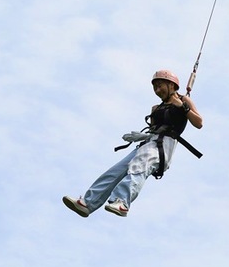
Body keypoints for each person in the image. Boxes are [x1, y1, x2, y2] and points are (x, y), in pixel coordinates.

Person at [62, 69, 203, 218]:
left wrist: (182, 106)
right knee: (115, 171)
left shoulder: (183, 100)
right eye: (155, 87)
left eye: (160, 85)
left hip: (163, 147)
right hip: (148, 143)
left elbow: (199, 123)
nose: (157, 90)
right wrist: (142, 136)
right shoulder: (156, 108)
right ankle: (88, 203)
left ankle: (122, 202)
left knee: (139, 166)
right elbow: (153, 129)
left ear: (172, 85)